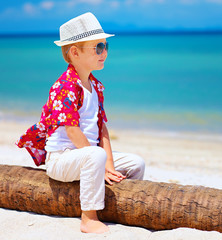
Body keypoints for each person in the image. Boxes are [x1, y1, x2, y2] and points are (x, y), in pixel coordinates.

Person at [16, 12, 145, 234]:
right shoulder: (64, 86)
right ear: (74, 52)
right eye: (98, 48)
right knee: (96, 155)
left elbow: (101, 127)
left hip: (87, 157)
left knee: (136, 163)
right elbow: (72, 129)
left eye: (105, 46)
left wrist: (110, 167)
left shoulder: (96, 86)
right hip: (62, 159)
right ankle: (89, 218)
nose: (104, 52)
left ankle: (116, 202)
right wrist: (99, 160)